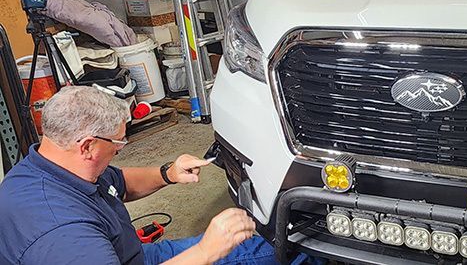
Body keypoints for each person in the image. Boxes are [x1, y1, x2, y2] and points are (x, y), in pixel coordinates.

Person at [0, 86, 301, 264]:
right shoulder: (63, 234)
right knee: (279, 252)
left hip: (129, 255)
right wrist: (205, 251)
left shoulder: (53, 164)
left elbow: (121, 183)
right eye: (118, 142)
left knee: (258, 245)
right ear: (88, 146)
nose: (121, 148)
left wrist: (167, 173)